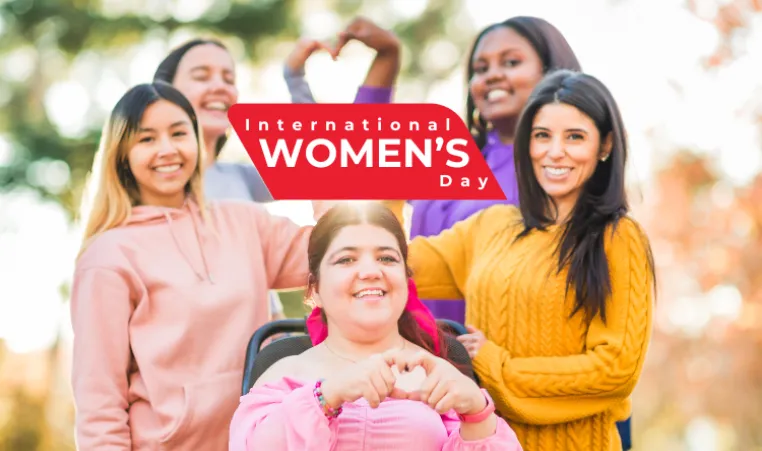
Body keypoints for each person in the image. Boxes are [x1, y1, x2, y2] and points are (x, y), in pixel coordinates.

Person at [406, 70, 656, 450]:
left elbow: (615, 370)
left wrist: (497, 366)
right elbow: (396, 264)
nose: (555, 151)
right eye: (542, 136)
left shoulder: (618, 237)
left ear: (604, 145)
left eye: (574, 136)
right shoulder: (492, 225)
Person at [70, 81, 327, 450]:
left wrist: (327, 167)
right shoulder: (109, 257)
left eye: (178, 133)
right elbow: (99, 401)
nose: (167, 149)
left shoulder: (244, 222)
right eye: (146, 139)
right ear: (122, 152)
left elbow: (334, 254)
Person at [228, 203, 522, 450]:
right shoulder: (284, 372)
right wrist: (328, 395)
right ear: (314, 289)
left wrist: (477, 414)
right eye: (346, 259)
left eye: (386, 258)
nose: (370, 271)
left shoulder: (439, 375)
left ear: (406, 282)